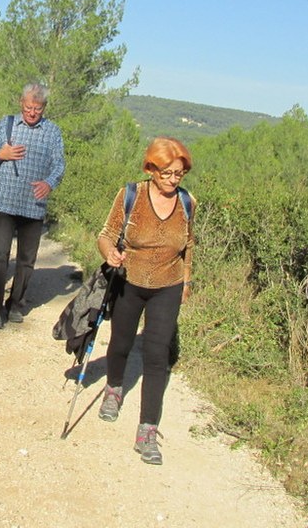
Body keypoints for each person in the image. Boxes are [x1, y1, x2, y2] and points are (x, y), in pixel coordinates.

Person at [96, 137, 195, 465]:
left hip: (168, 285)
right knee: (121, 342)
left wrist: (187, 280)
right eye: (165, 173)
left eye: (178, 174)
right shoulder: (131, 196)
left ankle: (147, 431)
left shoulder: (187, 202)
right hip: (130, 280)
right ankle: (114, 389)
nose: (172, 180)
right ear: (151, 168)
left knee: (156, 355)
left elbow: (189, 245)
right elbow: (106, 234)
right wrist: (108, 252)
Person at [0, 84, 65, 329]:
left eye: (37, 109)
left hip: (34, 205)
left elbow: (59, 164)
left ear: (44, 108)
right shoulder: (7, 125)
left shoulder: (52, 132)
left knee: (27, 259)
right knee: (0, 255)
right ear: (21, 103)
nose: (32, 113)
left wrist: (49, 183)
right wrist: (1, 155)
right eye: (29, 107)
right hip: (6, 202)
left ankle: (16, 304)